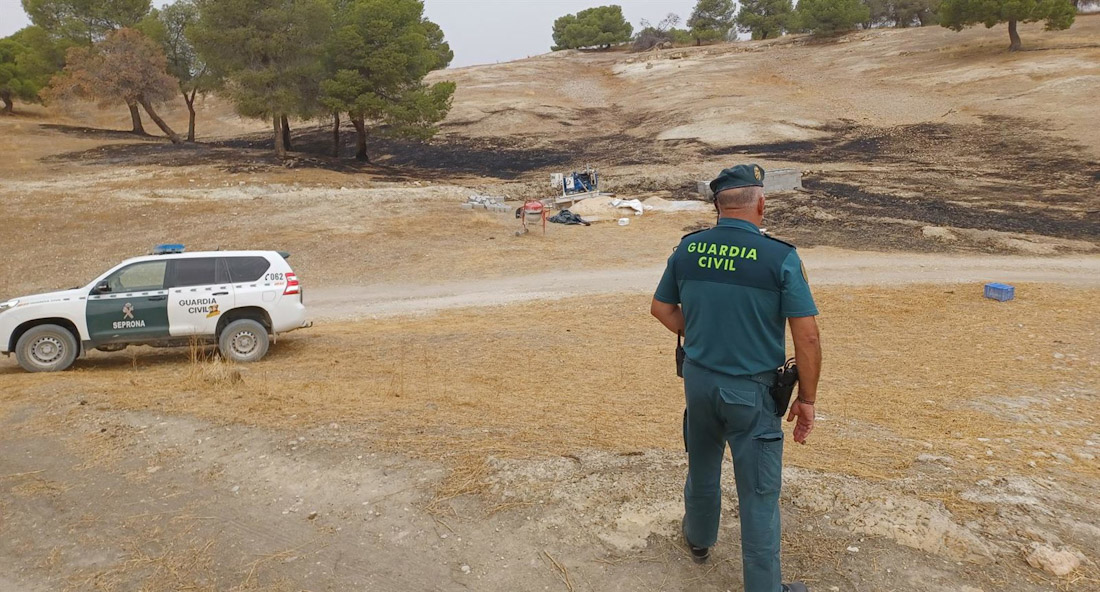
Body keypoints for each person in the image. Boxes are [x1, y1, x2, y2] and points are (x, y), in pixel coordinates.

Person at [650, 164, 821, 592]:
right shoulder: (780, 257)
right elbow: (808, 336)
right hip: (752, 392)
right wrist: (807, 398)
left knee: (703, 467)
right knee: (759, 492)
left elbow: (661, 309)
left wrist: (704, 331)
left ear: (717, 206)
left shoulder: (688, 249)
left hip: (700, 381)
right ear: (761, 203)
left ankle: (699, 540)